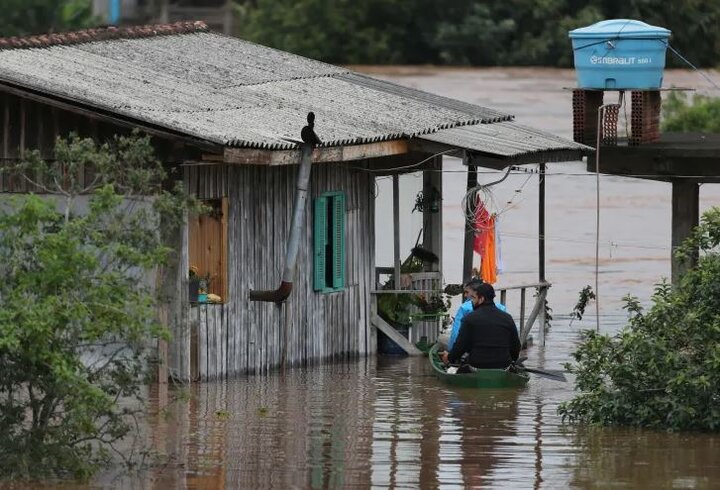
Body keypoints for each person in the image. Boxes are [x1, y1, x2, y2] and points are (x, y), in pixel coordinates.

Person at [441, 282, 520, 369]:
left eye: (474, 298)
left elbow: (460, 346)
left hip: (477, 364)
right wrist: (512, 361)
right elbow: (516, 346)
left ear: (481, 299)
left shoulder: (469, 319)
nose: (472, 302)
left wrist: (449, 358)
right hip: (503, 364)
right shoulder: (507, 318)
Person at [443, 279, 507, 352]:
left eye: (467, 292)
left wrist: (451, 353)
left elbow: (455, 335)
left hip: (473, 354)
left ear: (476, 293)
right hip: (501, 353)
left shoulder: (465, 309)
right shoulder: (502, 309)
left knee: (441, 339)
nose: (465, 295)